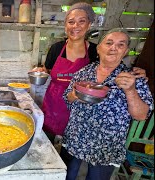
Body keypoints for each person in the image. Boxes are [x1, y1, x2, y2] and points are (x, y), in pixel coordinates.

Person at [32, 2, 147, 145]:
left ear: (89, 24)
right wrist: (41, 71)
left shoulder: (96, 50)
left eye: (82, 21)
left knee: (71, 147)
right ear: (66, 25)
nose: (76, 26)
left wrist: (135, 73)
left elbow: (110, 68)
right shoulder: (56, 48)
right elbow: (48, 69)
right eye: (71, 22)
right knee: (46, 142)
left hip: (81, 108)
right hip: (54, 104)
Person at [62, 28, 154, 180]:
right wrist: (73, 95)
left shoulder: (134, 78)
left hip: (106, 145)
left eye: (120, 45)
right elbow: (67, 98)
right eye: (109, 43)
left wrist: (130, 90)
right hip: (76, 138)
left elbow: (141, 115)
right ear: (99, 48)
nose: (113, 48)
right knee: (67, 176)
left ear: (125, 51)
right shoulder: (83, 72)